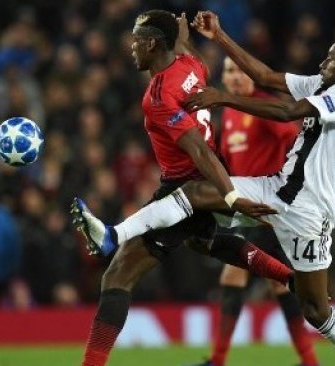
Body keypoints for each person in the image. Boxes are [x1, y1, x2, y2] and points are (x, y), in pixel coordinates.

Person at [74, 11, 335, 366]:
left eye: (331, 57)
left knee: (316, 311)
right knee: (196, 201)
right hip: (277, 189)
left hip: (308, 208)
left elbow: (288, 113)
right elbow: (265, 76)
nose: (323, 60)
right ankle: (113, 234)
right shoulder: (322, 84)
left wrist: (223, 98)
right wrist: (219, 36)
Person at [71, 11, 295, 366]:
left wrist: (231, 197)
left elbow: (199, 150)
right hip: (201, 180)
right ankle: (289, 277)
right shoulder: (193, 64)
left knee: (117, 275)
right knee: (205, 241)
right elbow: (192, 58)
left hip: (185, 188)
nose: (131, 47)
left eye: (136, 40)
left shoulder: (158, 95)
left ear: (152, 43)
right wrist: (183, 37)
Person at [190, 57, 318, 366]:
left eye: (238, 71)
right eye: (228, 72)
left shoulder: (264, 110)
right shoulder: (232, 113)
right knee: (278, 284)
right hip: (249, 211)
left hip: (267, 209)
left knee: (233, 273)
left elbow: (298, 142)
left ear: (251, 76)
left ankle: (218, 360)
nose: (233, 77)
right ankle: (310, 361)